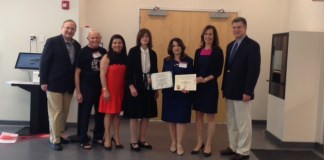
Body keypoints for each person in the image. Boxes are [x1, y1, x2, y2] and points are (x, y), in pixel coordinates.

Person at [220, 17, 261, 160]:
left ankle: (243, 151)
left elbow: (254, 71)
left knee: (243, 122)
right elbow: (227, 69)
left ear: (245, 28)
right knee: (231, 121)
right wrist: (224, 87)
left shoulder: (253, 46)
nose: (236, 30)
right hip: (230, 91)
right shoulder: (230, 45)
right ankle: (233, 146)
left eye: (239, 27)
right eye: (234, 27)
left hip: (243, 92)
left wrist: (248, 91)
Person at [40, 19, 81, 151]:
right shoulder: (52, 42)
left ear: (75, 31)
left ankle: (59, 134)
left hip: (68, 85)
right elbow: (44, 62)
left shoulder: (77, 45)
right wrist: (43, 81)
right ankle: (54, 139)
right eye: (67, 28)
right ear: (62, 28)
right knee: (55, 112)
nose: (70, 30)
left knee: (64, 112)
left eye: (72, 28)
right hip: (54, 83)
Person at [123, 28, 158, 152]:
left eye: (147, 36)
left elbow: (155, 72)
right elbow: (128, 72)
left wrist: (156, 89)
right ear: (139, 38)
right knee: (134, 115)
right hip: (135, 87)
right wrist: (131, 86)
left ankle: (142, 139)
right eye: (143, 36)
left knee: (146, 115)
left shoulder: (153, 53)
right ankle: (133, 141)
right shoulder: (133, 51)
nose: (145, 38)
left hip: (148, 88)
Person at [191, 25, 224, 157]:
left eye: (210, 34)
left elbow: (218, 71)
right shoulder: (198, 51)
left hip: (210, 87)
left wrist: (205, 79)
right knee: (198, 116)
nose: (208, 36)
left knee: (210, 116)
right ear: (203, 36)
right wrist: (195, 80)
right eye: (206, 34)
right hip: (198, 87)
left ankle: (208, 144)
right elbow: (194, 69)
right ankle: (200, 142)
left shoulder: (218, 51)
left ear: (214, 36)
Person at [161, 38, 194, 156]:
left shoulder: (189, 60)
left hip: (183, 95)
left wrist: (188, 87)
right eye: (174, 45)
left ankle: (180, 143)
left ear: (182, 47)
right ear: (171, 48)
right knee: (171, 120)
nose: (176, 47)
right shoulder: (167, 60)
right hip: (170, 94)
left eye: (178, 45)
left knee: (181, 120)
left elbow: (191, 76)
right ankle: (173, 142)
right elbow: (164, 76)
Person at [74, 30, 106, 150]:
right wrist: (78, 92)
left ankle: (98, 137)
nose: (95, 40)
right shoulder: (82, 52)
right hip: (86, 88)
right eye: (92, 38)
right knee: (85, 115)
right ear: (88, 38)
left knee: (100, 114)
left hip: (100, 88)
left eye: (97, 38)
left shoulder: (103, 52)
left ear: (100, 38)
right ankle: (83, 138)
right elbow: (77, 73)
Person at [99, 34, 127, 150]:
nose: (117, 45)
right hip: (109, 90)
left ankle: (116, 137)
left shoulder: (125, 57)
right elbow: (102, 74)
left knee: (117, 114)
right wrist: (105, 90)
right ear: (111, 44)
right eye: (115, 43)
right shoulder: (106, 57)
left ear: (123, 44)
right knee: (109, 114)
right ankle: (107, 138)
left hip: (120, 90)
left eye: (119, 43)